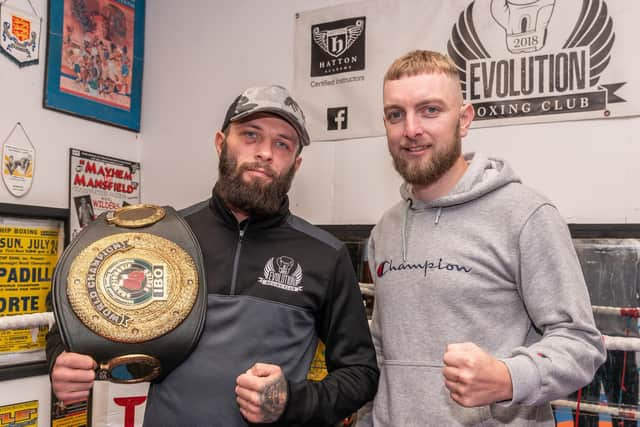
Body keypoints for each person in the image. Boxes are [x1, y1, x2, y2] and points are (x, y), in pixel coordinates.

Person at [46, 85, 379, 426]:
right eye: (251, 135)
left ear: (296, 163)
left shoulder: (324, 255)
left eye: (282, 144)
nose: (265, 152)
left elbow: (361, 373)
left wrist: (292, 400)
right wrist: (62, 360)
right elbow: (78, 317)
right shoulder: (160, 236)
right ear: (221, 143)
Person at [357, 50, 606, 426]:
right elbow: (383, 349)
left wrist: (508, 377)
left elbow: (581, 344)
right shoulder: (386, 229)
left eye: (430, 110)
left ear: (464, 119)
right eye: (396, 114)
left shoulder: (525, 214)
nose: (411, 129)